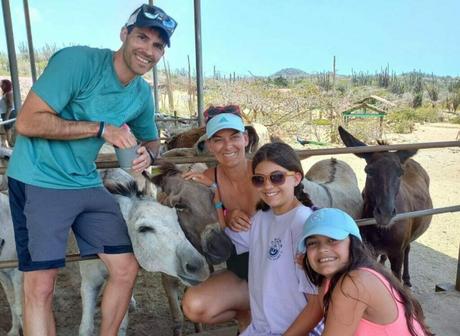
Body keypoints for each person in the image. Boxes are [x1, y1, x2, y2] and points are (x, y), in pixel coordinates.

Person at [6, 4, 176, 335]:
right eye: (142, 37)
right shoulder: (77, 62)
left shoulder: (141, 93)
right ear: (124, 35)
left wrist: (148, 157)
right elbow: (26, 122)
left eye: (158, 45)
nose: (149, 50)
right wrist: (100, 129)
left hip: (84, 181)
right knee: (41, 284)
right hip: (38, 179)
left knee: (126, 268)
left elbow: (152, 142)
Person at [194, 141, 324, 335]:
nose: (268, 186)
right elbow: (220, 244)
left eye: (277, 177)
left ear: (296, 178)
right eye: (259, 180)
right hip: (260, 330)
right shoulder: (261, 219)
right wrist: (215, 196)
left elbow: (317, 306)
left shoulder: (304, 224)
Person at [295, 208, 433, 336]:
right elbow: (315, 309)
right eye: (312, 243)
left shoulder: (354, 282)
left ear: (353, 243)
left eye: (333, 240)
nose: (322, 249)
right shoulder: (330, 278)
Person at [182, 105, 259, 332]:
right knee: (193, 305)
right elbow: (212, 227)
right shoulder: (207, 178)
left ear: (245, 139)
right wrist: (221, 204)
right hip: (242, 273)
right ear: (209, 145)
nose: (228, 146)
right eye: (218, 140)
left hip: (279, 272)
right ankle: (246, 313)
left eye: (234, 137)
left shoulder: (265, 172)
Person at [0, 79, 15, 146]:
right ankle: (9, 144)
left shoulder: (9, 93)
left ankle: (10, 144)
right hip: (5, 113)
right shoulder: (5, 93)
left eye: (2, 84)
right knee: (7, 129)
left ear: (6, 85)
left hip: (8, 114)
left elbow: (10, 106)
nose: (1, 86)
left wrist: (6, 116)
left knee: (8, 129)